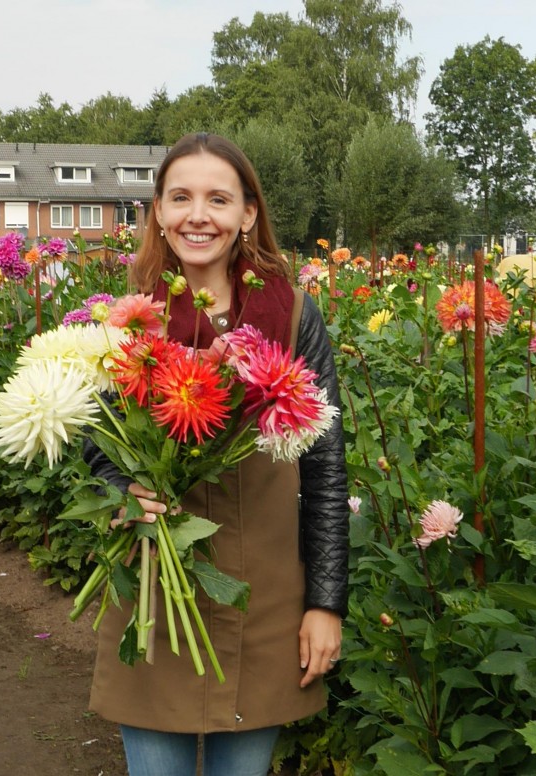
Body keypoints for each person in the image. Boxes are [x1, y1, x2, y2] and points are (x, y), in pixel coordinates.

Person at [84, 133, 349, 776]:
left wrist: (325, 602)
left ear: (247, 215)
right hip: (158, 589)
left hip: (264, 597)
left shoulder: (290, 316)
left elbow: (324, 468)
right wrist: (123, 486)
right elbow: (93, 438)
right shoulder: (128, 319)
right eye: (180, 197)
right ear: (158, 212)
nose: (197, 215)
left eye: (218, 199)